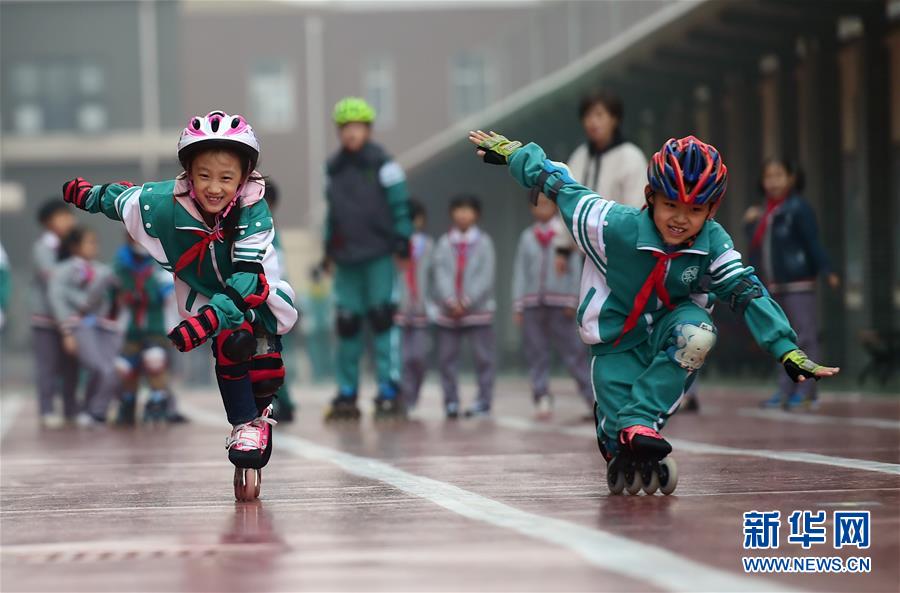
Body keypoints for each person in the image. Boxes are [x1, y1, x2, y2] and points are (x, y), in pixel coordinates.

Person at [468, 130, 839, 495]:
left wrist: (785, 348)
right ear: (650, 197)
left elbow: (744, 288)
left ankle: (640, 420)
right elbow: (561, 185)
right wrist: (515, 155)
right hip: (615, 341)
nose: (681, 219)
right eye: (671, 205)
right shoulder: (612, 226)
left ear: (712, 210)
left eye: (696, 210)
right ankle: (618, 432)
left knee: (698, 334)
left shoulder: (714, 242)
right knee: (617, 442)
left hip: (672, 329)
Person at [61, 110, 297, 501]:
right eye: (204, 176)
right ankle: (245, 424)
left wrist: (206, 323)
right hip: (202, 288)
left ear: (244, 176)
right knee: (233, 344)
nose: (214, 188)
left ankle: (262, 413)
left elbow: (246, 279)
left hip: (255, 288)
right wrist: (86, 195)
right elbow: (122, 199)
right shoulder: (164, 202)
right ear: (188, 173)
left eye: (226, 177)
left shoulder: (253, 208)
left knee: (264, 360)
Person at [322, 97, 412, 422]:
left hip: (378, 253)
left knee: (382, 318)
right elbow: (332, 215)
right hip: (347, 257)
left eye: (356, 127)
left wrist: (403, 240)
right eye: (345, 128)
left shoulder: (385, 164)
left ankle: (388, 387)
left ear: (368, 130)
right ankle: (347, 391)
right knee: (347, 324)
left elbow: (401, 204)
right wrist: (327, 251)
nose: (351, 133)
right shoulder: (332, 169)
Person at [746, 158, 839, 411]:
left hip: (799, 282)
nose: (773, 182)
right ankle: (785, 390)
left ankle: (807, 391)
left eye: (778, 175)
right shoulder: (767, 212)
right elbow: (755, 248)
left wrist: (827, 269)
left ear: (791, 179)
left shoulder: (798, 208)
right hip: (775, 284)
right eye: (768, 177)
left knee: (805, 337)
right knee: (782, 338)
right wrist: (750, 223)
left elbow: (812, 241)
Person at [512, 192, 593, 420]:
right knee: (536, 351)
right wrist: (518, 305)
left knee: (573, 352)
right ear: (531, 208)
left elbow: (576, 269)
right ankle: (541, 396)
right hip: (532, 303)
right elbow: (520, 271)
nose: (543, 209)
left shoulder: (564, 234)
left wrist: (571, 299)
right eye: (538, 205)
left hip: (561, 304)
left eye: (547, 204)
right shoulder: (527, 237)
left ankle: (591, 398)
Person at [47, 226, 121, 428]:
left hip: (101, 327)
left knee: (110, 369)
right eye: (89, 242)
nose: (94, 246)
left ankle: (93, 410)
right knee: (99, 368)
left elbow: (110, 298)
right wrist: (66, 331)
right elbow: (57, 300)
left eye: (95, 242)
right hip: (77, 326)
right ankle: (92, 410)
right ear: (74, 246)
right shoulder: (62, 270)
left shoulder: (103, 270)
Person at [431, 195, 497, 418]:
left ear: (476, 214)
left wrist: (467, 300)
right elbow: (440, 273)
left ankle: (483, 402)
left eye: (468, 210)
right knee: (447, 359)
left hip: (478, 312)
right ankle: (451, 402)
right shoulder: (443, 242)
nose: (463, 214)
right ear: (452, 213)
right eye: (458, 209)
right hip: (448, 313)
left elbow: (486, 276)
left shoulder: (484, 242)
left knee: (484, 358)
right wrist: (450, 301)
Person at [112, 235, 187, 425]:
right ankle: (127, 404)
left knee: (155, 360)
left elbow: (171, 297)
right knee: (124, 367)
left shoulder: (160, 265)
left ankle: (158, 402)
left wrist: (176, 328)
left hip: (157, 328)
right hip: (130, 329)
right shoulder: (121, 265)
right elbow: (114, 296)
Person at [31, 201, 80, 428]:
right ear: (48, 222)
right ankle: (47, 409)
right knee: (48, 366)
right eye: (63, 217)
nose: (69, 221)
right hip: (46, 319)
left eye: (69, 217)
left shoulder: (71, 247)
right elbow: (53, 280)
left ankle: (71, 408)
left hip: (69, 317)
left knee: (71, 365)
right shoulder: (43, 247)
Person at [263, 180, 298, 422]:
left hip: (269, 300)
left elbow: (279, 269)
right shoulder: (263, 228)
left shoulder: (270, 231)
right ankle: (280, 401)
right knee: (268, 353)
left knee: (272, 353)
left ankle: (282, 401)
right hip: (262, 298)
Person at [395, 199, 434, 411]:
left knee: (419, 357)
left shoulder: (428, 245)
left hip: (421, 309)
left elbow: (435, 275)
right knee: (402, 358)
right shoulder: (393, 247)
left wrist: (435, 301)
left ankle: (413, 393)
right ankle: (405, 399)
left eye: (415, 218)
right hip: (399, 310)